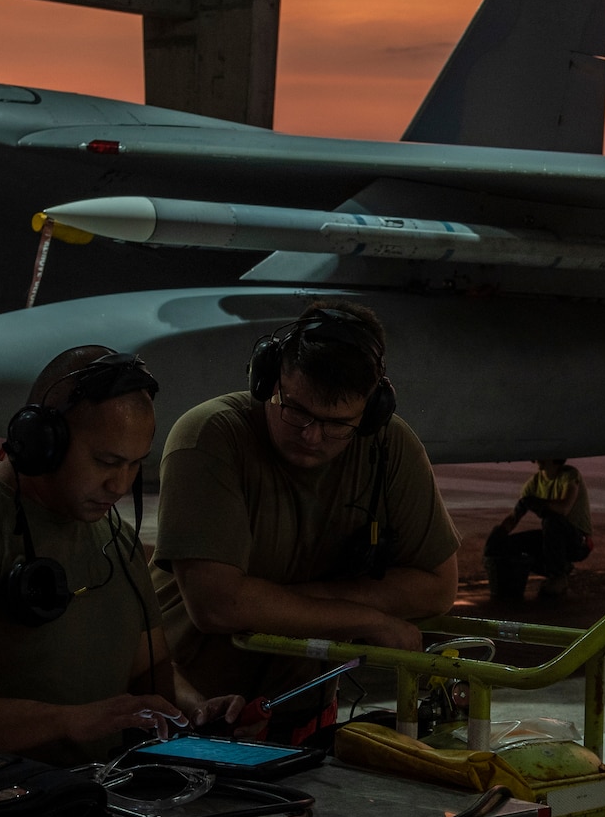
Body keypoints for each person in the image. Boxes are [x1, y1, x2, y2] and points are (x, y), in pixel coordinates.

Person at [0, 346, 239, 765]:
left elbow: (149, 671)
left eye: (135, 465)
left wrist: (192, 709)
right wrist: (67, 721)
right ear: (42, 440)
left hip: (102, 803)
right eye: (105, 461)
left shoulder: (115, 540)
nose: (119, 485)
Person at [152, 301, 460, 739]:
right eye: (295, 410)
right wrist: (365, 619)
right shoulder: (210, 435)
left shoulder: (390, 446)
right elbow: (217, 604)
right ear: (267, 380)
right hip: (191, 716)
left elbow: (438, 586)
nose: (311, 436)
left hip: (304, 718)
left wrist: (287, 600)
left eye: (337, 424)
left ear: (371, 413)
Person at [485, 458, 593, 600]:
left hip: (578, 542)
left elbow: (564, 509)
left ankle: (558, 576)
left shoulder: (569, 476)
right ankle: (559, 567)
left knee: (552, 522)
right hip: (553, 539)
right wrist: (498, 537)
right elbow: (514, 517)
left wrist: (539, 503)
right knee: (507, 544)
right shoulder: (535, 483)